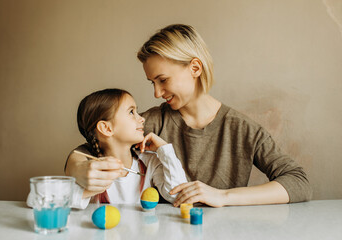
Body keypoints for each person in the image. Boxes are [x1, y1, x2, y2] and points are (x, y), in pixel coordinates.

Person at [65, 24, 312, 208]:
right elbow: (92, 146)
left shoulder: (242, 130)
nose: (156, 92)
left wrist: (222, 196)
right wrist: (77, 170)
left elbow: (299, 183)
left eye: (163, 80)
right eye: (152, 82)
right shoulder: (150, 123)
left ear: (195, 68)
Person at [28, 88, 187, 209]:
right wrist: (85, 191)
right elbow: (35, 199)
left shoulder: (151, 161)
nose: (142, 118)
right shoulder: (91, 171)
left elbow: (178, 196)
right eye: (131, 112)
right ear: (106, 128)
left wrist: (165, 150)